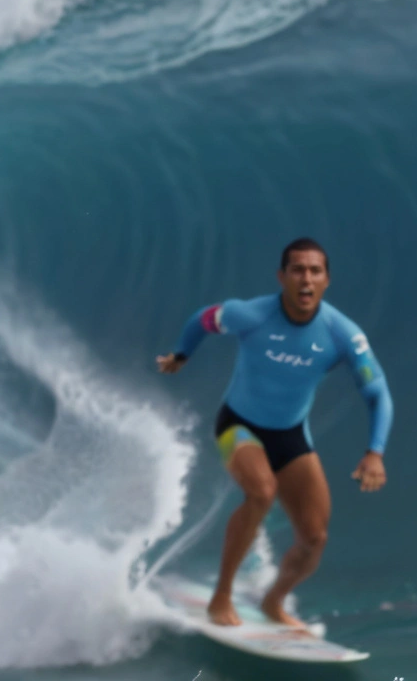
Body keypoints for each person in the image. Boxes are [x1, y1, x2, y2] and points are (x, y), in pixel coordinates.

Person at [156, 237, 394, 631]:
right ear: (281, 276)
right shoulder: (251, 315)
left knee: (315, 538)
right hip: (238, 425)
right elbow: (203, 319)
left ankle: (273, 602)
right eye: (297, 269)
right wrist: (182, 353)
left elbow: (377, 393)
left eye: (315, 271)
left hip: (290, 437)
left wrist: (375, 452)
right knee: (261, 492)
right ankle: (222, 596)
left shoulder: (342, 335)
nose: (306, 279)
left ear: (327, 280)